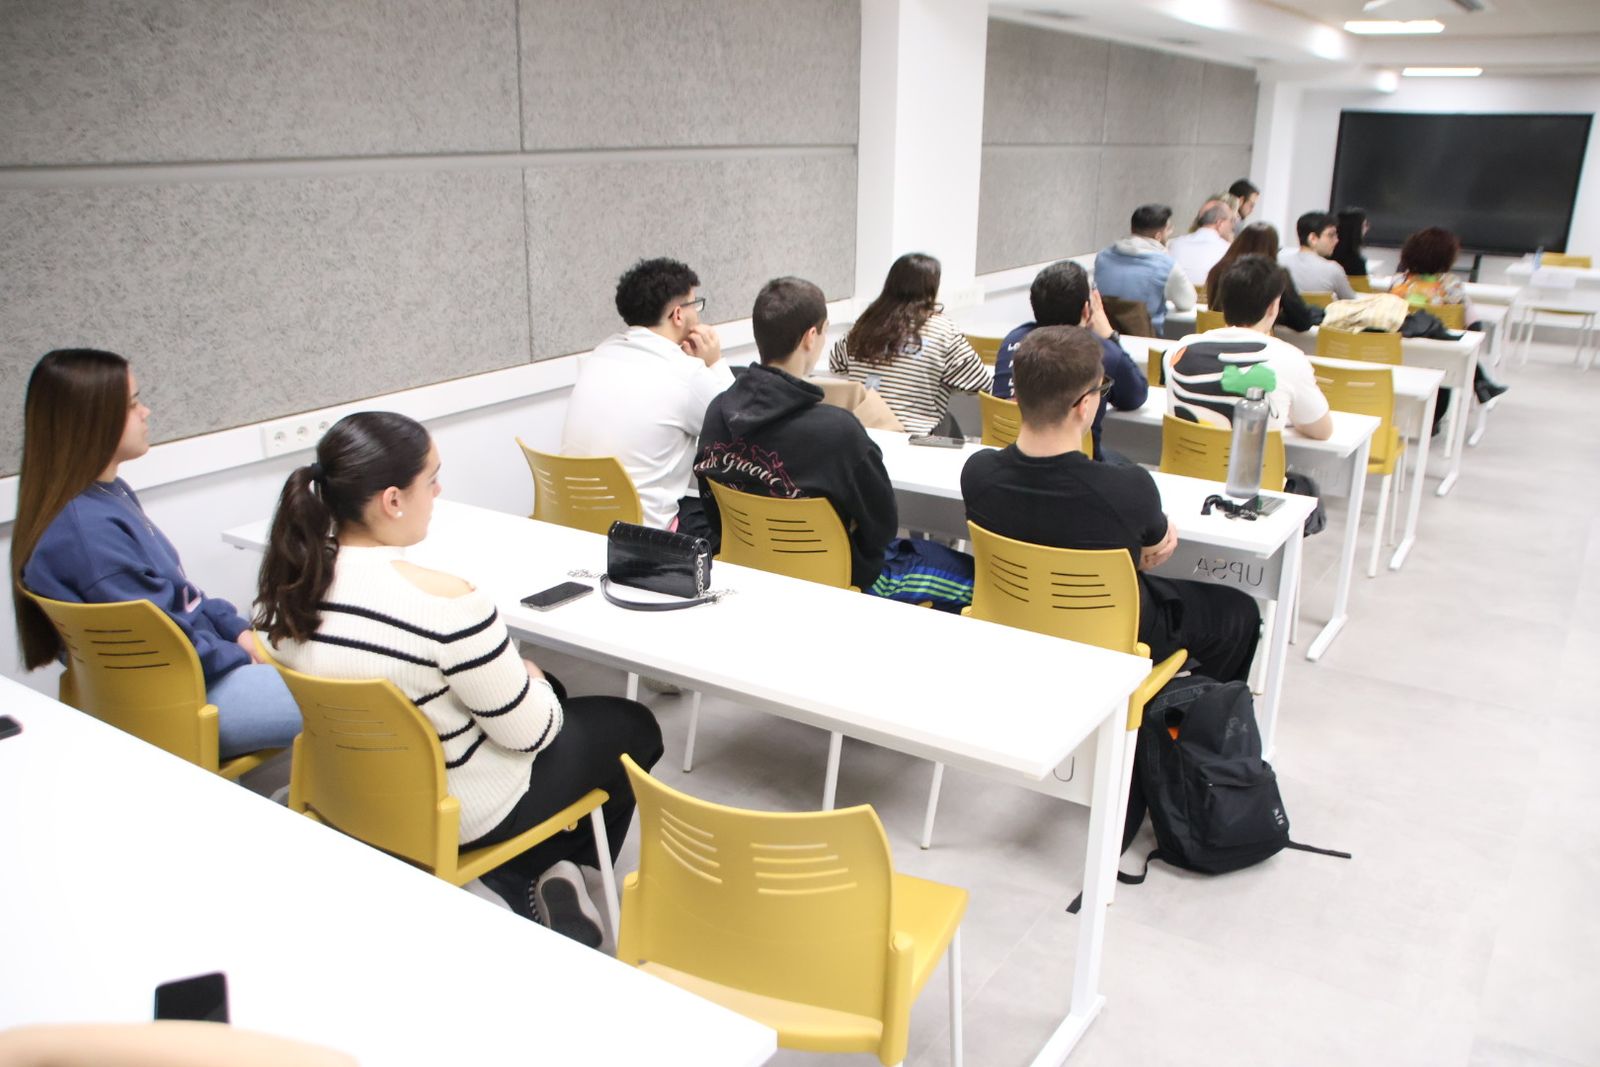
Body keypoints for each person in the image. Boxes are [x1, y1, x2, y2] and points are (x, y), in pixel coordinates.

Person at [255, 411, 663, 946]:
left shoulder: (289, 590)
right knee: (633, 726)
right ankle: (537, 866)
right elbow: (531, 735)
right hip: (460, 810)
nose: (439, 490)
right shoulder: (449, 603)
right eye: (432, 479)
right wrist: (532, 678)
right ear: (393, 500)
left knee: (552, 694)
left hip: (350, 792)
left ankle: (531, 868)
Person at [11, 349, 301, 759]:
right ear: (91, 420)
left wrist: (237, 630)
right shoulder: (86, 536)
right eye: (132, 404)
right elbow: (167, 645)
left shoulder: (104, 497)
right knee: (355, 701)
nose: (145, 412)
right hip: (182, 700)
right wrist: (243, 655)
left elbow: (181, 596)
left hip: (188, 680)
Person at [961, 326, 1260, 684]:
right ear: (1085, 405)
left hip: (1014, 623)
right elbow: (1155, 548)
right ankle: (1181, 719)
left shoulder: (976, 475)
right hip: (1116, 634)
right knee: (1240, 611)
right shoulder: (1128, 489)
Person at [695, 277, 898, 592]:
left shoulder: (717, 413)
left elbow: (715, 513)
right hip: (839, 582)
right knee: (966, 576)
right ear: (811, 336)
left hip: (747, 573)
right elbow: (883, 529)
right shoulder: (840, 433)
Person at [561, 257, 733, 538]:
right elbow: (737, 428)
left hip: (580, 527)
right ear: (678, 315)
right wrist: (714, 362)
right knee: (734, 522)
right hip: (646, 536)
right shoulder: (686, 373)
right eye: (695, 304)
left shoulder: (602, 353)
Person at [992, 260, 1149, 460]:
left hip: (1008, 454)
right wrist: (1110, 335)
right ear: (1086, 310)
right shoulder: (1099, 350)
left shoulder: (1014, 339)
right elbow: (1135, 396)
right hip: (1074, 461)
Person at [1167, 255, 1334, 440]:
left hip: (1184, 467)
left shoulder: (1180, 349)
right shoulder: (1290, 358)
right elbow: (1322, 431)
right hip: (1255, 468)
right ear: (1273, 307)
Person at [828, 252, 991, 434]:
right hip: (914, 436)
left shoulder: (867, 322)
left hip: (864, 430)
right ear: (931, 289)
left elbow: (836, 364)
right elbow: (982, 383)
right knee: (950, 424)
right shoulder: (942, 330)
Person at [1389, 226, 1508, 404]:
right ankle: (1480, 382)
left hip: (1399, 350)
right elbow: (1474, 324)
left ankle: (1481, 382)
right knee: (1459, 353)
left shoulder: (1399, 282)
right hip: (1441, 356)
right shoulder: (1451, 285)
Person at [1093, 204, 1196, 335]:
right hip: (1146, 341)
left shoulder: (1102, 257)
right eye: (1168, 230)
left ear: (1132, 229)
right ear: (1158, 236)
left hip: (1104, 337)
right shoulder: (1166, 265)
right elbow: (1187, 302)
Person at [1206, 222, 1322, 333]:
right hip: (1255, 342)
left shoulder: (1217, 270)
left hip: (1214, 333)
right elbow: (1302, 322)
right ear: (1273, 248)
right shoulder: (1273, 277)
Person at [1279, 211, 1356, 300]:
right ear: (1313, 238)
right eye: (1331, 235)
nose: (1336, 240)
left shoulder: (1279, 262)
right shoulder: (1333, 269)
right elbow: (1351, 302)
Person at [1168, 200, 1238, 287]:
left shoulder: (1175, 244)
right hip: (1210, 299)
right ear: (1220, 223)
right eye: (1231, 221)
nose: (1232, 226)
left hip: (1175, 299)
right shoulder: (1229, 250)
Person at [1331, 208, 1369, 279]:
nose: (1367, 228)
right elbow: (1361, 289)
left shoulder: (1325, 255)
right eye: (1365, 225)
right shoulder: (1356, 262)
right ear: (1356, 229)